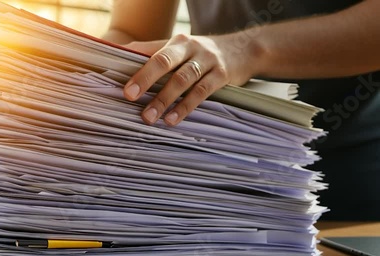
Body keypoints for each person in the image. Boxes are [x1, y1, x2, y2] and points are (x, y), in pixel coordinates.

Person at [102, 0, 380, 220]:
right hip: (210, 169)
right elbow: (132, 31)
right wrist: (84, 59)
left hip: (346, 178)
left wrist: (247, 50)